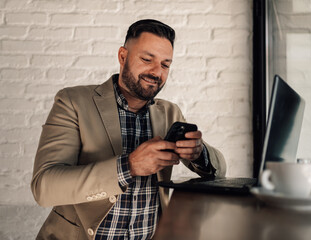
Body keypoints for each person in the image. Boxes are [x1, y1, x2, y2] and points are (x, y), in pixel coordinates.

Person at [31, 19, 226, 240]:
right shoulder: (72, 102)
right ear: (123, 56)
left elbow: (221, 171)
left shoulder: (170, 113)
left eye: (165, 64)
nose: (156, 72)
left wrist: (200, 154)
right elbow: (44, 186)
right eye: (146, 59)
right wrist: (128, 167)